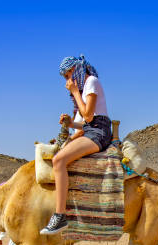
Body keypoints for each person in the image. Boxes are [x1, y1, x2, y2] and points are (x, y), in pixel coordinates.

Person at [40, 55, 112, 235]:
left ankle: (60, 215)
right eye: (65, 78)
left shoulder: (92, 82)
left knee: (59, 161)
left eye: (68, 75)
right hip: (92, 129)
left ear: (77, 69)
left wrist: (74, 92)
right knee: (60, 153)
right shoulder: (87, 85)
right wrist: (70, 124)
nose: (68, 81)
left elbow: (88, 116)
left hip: (99, 132)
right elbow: (87, 122)